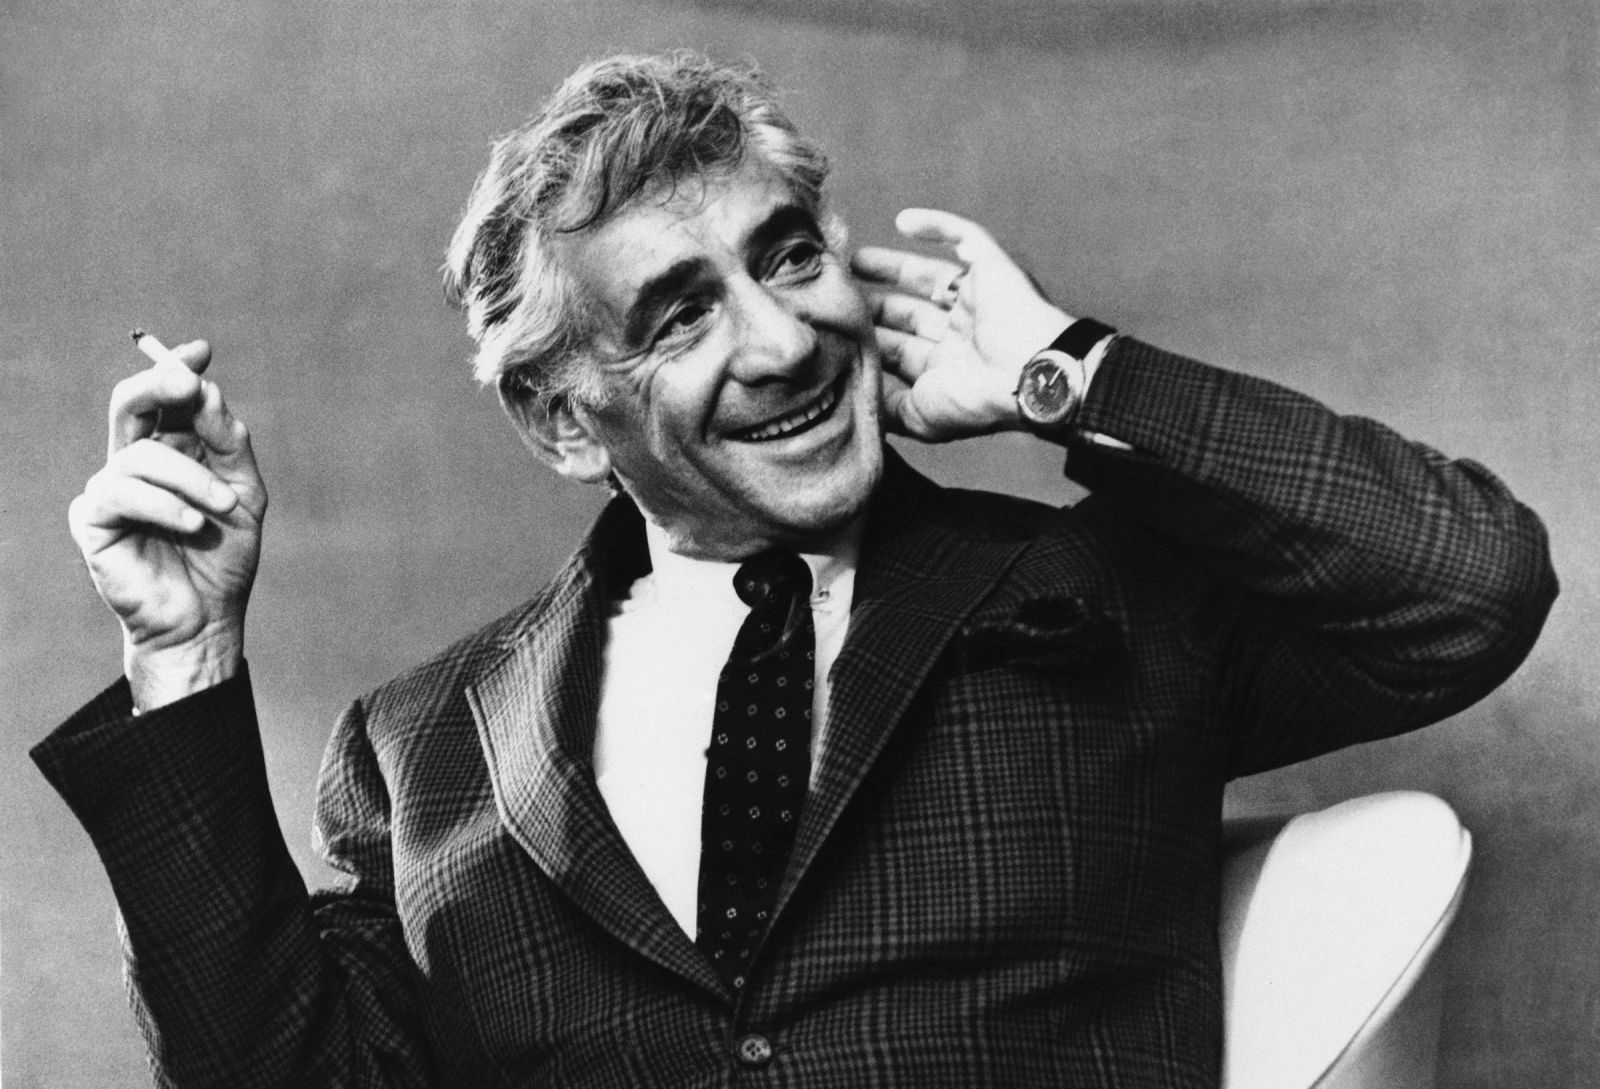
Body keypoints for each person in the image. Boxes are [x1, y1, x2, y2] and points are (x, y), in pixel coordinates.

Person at [35, 51, 1556, 1088]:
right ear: (563, 418)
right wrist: (185, 657)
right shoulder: (423, 747)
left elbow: (1470, 587)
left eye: (787, 257)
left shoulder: (1097, 595)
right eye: (680, 315)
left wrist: (1069, 375)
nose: (781, 342)